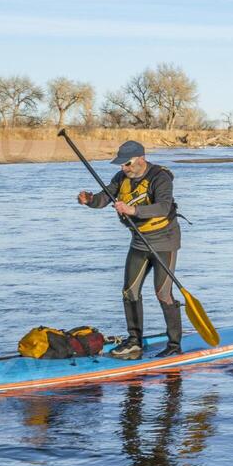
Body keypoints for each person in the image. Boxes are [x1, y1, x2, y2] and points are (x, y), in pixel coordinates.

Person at [76, 140, 183, 360]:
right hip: (139, 242)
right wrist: (90, 200)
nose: (123, 169)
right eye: (121, 165)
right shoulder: (121, 178)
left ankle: (174, 345)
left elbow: (163, 207)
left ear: (141, 159)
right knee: (129, 292)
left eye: (127, 164)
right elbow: (105, 198)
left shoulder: (160, 177)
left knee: (163, 294)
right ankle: (134, 341)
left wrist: (132, 209)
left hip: (164, 241)